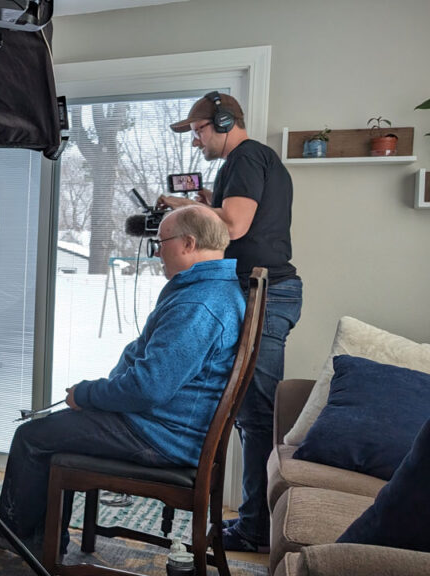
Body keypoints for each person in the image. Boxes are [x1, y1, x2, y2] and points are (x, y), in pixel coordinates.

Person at [0, 206, 245, 556]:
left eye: (162, 242)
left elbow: (148, 387)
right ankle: (40, 540)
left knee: (33, 437)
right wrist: (98, 393)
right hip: (167, 425)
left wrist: (88, 394)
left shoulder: (199, 305)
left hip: (162, 435)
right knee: (54, 432)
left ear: (188, 243)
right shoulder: (212, 289)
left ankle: (20, 537)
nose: (157, 251)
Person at [161, 92, 303, 552]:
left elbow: (236, 227)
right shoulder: (253, 161)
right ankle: (252, 522)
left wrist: (184, 208)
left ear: (222, 121)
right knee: (248, 414)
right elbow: (240, 217)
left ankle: (255, 529)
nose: (198, 140)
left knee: (256, 415)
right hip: (263, 290)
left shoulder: (246, 157)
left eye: (200, 130)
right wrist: (210, 200)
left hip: (265, 291)